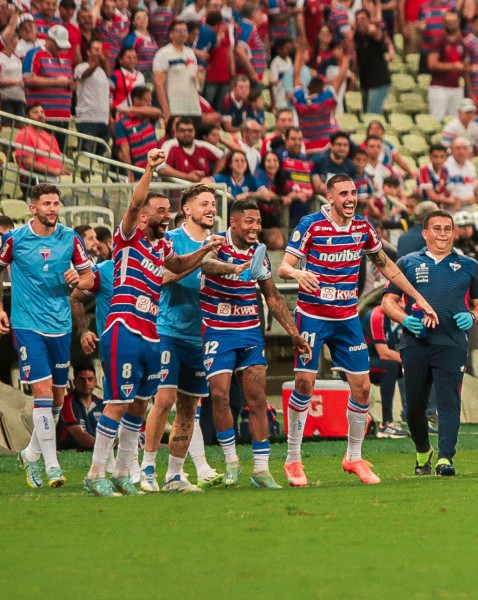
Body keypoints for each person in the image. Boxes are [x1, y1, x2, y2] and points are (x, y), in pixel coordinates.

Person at [278, 174, 438, 486]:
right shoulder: (311, 224)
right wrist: (299, 273)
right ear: (329, 196)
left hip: (347, 316)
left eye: (353, 193)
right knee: (305, 384)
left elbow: (387, 266)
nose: (351, 199)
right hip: (312, 315)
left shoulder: (363, 227)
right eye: (344, 194)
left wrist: (417, 297)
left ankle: (353, 456)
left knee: (363, 387)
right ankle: (293, 459)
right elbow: (284, 266)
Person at [82, 149, 224, 497]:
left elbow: (177, 266)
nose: (167, 214)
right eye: (160, 210)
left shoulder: (159, 248)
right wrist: (148, 168)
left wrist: (204, 252)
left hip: (150, 331)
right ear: (143, 217)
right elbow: (133, 205)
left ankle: (121, 474)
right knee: (117, 402)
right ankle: (94, 472)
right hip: (125, 326)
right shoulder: (128, 237)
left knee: (139, 405)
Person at [0, 183, 95, 489]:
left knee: (59, 399)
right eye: (47, 204)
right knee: (44, 394)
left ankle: (32, 453)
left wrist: (80, 278)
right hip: (27, 326)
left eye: (56, 203)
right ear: (33, 208)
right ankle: (52, 466)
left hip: (60, 326)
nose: (53, 209)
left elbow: (89, 277)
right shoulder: (15, 240)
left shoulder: (70, 239)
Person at [200, 199, 311, 488]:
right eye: (249, 221)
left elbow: (272, 296)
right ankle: (231, 461)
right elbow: (207, 266)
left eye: (258, 222)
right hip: (217, 330)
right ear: (234, 222)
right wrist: (235, 268)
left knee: (258, 399)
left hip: (249, 330)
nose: (255, 227)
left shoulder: (259, 254)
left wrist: (293, 332)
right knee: (220, 394)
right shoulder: (215, 242)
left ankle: (261, 470)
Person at [382, 209, 478, 476]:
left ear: (454, 233)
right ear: (425, 233)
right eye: (437, 228)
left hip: (452, 343)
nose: (443, 233)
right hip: (415, 343)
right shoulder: (407, 262)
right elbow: (387, 302)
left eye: (447, 228)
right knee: (415, 407)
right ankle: (422, 450)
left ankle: (445, 458)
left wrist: (473, 316)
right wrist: (405, 320)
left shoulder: (469, 265)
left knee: (448, 402)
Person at [139, 184, 224, 493]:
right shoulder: (170, 240)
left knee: (190, 407)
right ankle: (147, 468)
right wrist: (201, 258)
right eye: (204, 204)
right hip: (166, 330)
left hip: (199, 335)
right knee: (164, 399)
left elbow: (215, 273)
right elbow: (161, 276)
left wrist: (236, 268)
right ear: (187, 210)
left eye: (213, 204)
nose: (211, 209)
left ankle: (175, 475)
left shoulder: (219, 243)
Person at [22, 24, 74, 148]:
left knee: (59, 154)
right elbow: (28, 79)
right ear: (49, 39)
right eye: (58, 45)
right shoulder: (34, 54)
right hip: (43, 117)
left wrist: (71, 84)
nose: (60, 48)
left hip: (63, 117)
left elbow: (68, 81)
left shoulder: (65, 58)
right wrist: (57, 82)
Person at [362, 304, 408, 439]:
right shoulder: (377, 316)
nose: (403, 304)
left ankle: (416, 418)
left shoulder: (400, 318)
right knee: (392, 367)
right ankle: (386, 423)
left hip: (375, 360)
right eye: (398, 299)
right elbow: (383, 353)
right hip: (359, 360)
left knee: (411, 370)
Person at [152, 20, 201, 123]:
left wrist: (200, 76)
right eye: (178, 30)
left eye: (185, 30)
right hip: (175, 108)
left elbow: (195, 79)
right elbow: (158, 84)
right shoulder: (163, 54)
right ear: (171, 34)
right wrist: (166, 112)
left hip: (194, 108)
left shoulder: (191, 53)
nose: (182, 33)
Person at [427, 12, 470, 121]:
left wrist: (469, 68)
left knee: (455, 120)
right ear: (444, 23)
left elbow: (463, 64)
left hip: (456, 86)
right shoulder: (438, 41)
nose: (451, 24)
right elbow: (432, 64)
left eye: (454, 22)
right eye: (449, 22)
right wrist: (453, 66)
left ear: (458, 23)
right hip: (439, 87)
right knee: (437, 118)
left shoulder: (461, 42)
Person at [158, 118, 226, 182]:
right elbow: (161, 169)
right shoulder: (169, 145)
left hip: (201, 189)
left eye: (190, 130)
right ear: (176, 132)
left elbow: (223, 156)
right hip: (177, 191)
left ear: (194, 132)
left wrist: (211, 178)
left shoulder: (202, 145)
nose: (186, 133)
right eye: (182, 130)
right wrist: (187, 177)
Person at [74, 39, 110, 150]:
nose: (99, 52)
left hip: (103, 119)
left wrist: (104, 61)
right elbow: (85, 74)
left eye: (101, 50)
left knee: (101, 157)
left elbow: (108, 72)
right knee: (86, 155)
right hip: (87, 119)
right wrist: (96, 63)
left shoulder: (102, 71)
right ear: (88, 52)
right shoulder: (81, 67)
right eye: (96, 49)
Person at [57, 363, 104, 450]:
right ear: (74, 382)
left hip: (96, 449)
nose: (86, 383)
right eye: (82, 379)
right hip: (70, 451)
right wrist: (106, 447)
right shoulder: (66, 403)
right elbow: (80, 437)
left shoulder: (102, 404)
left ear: (95, 382)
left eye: (90, 379)